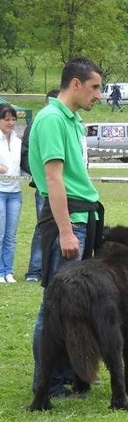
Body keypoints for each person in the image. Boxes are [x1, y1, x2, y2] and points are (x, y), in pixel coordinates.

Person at [29, 57, 105, 398]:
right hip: (68, 220)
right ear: (75, 84)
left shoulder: (71, 120)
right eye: (94, 87)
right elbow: (53, 179)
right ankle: (47, 383)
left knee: (74, 305)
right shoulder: (50, 120)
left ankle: (67, 375)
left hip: (82, 217)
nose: (99, 95)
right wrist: (65, 231)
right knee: (55, 304)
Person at [20, 89, 60, 283]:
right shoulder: (36, 123)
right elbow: (25, 155)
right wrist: (40, 175)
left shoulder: (66, 123)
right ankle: (35, 270)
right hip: (43, 188)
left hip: (64, 187)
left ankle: (53, 269)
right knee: (43, 227)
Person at [0, 105, 22, 284]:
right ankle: (0, 272)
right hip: (0, 192)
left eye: (13, 119)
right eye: (6, 119)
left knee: (11, 235)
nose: (11, 123)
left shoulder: (17, 140)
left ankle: (9, 271)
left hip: (15, 193)